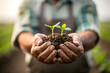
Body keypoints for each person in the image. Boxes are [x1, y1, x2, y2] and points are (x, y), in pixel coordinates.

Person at [12, 0, 100, 73]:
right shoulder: (29, 2)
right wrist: (34, 42)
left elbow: (90, 31)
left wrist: (79, 41)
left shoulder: (85, 2)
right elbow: (23, 32)